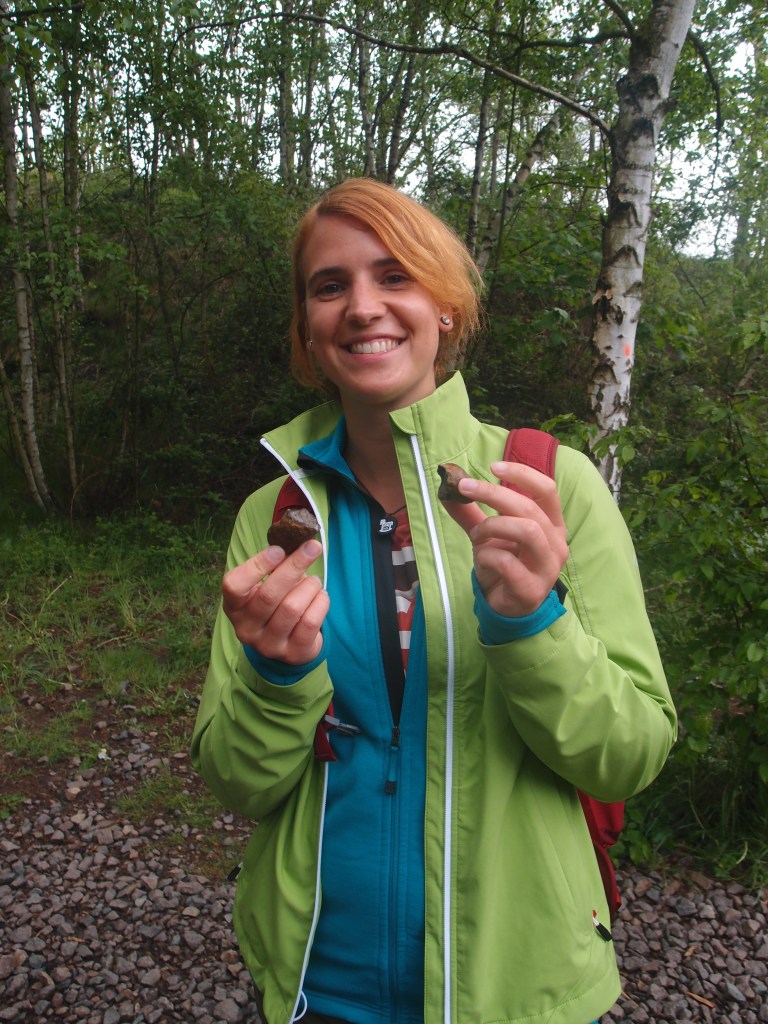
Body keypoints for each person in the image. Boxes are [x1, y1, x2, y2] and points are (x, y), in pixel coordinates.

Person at [191, 177, 676, 1024]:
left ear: (444, 307)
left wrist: (533, 622)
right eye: (330, 285)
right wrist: (275, 677)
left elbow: (628, 755)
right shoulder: (274, 517)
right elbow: (238, 781)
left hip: (514, 987)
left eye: (395, 277)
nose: (362, 306)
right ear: (308, 325)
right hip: (320, 981)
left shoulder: (548, 487)